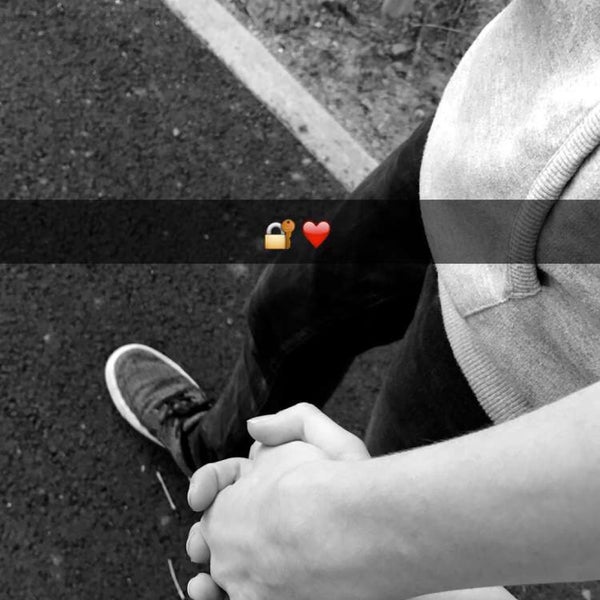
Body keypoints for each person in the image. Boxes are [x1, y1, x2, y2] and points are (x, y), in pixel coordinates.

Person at [105, 0, 600, 599]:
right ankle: (210, 449)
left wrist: (324, 532)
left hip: (539, 360)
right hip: (496, 119)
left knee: (379, 538)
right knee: (289, 306)